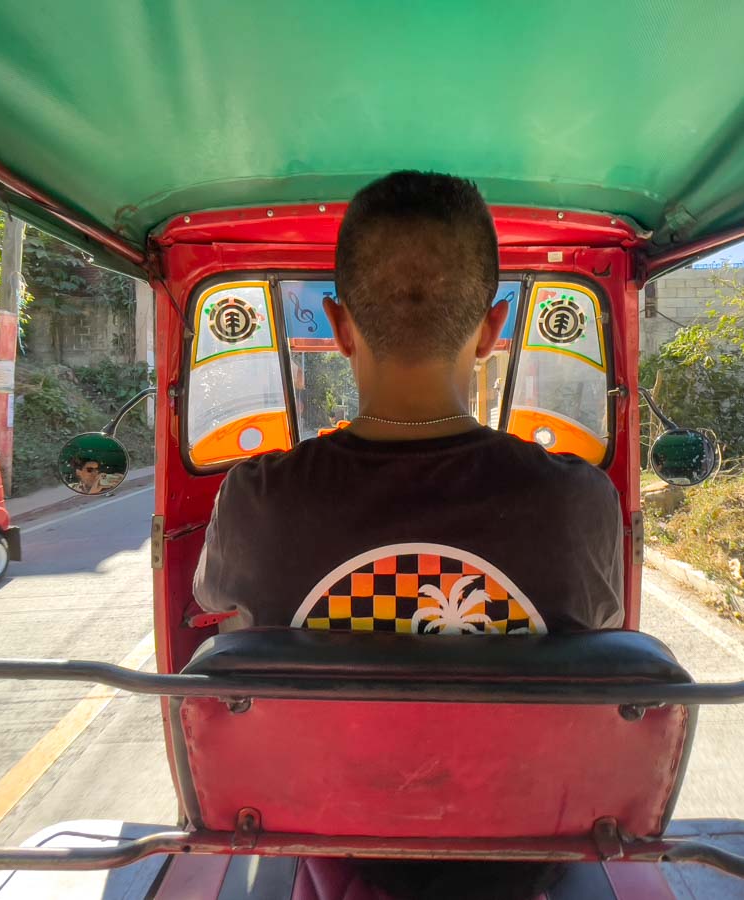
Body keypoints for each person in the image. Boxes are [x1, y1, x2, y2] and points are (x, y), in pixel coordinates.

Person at [192, 171, 625, 899]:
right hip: (527, 850)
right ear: (492, 330)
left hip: (331, 834)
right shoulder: (578, 500)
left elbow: (217, 606)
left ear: (338, 327)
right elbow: (601, 635)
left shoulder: (257, 498)